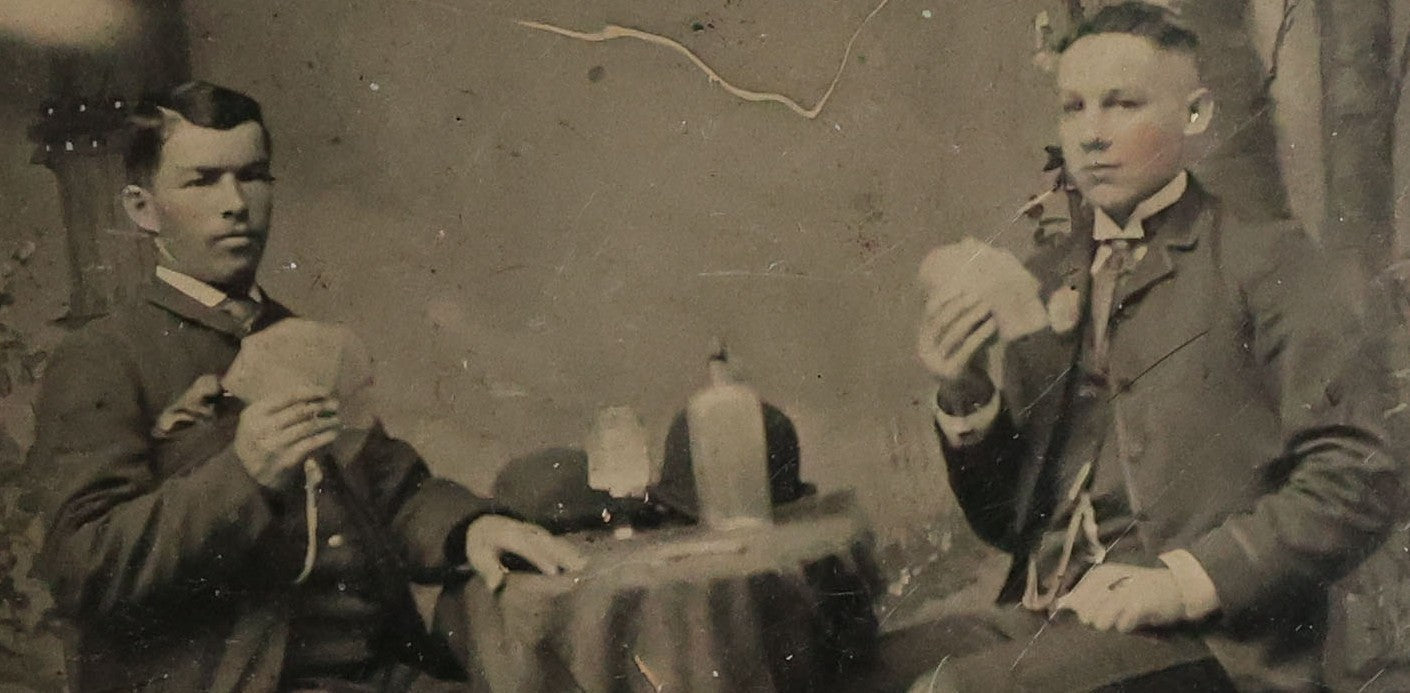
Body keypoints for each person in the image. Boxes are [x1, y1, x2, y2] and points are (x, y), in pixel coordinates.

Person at [901, 3, 1402, 691]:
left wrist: (1182, 581)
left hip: (1211, 639)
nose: (1092, 135)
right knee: (848, 665)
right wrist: (966, 394)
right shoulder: (1049, 277)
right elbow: (1012, 524)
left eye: (1122, 104)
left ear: (1195, 116)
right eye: (1073, 109)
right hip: (1058, 611)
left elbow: (1364, 472)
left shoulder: (1265, 260)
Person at [26, 80, 586, 693]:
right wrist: (243, 474)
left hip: (378, 670)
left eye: (254, 175)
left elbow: (389, 486)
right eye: (202, 180)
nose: (235, 202)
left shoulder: (298, 337)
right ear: (142, 208)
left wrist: (472, 527)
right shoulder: (103, 357)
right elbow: (82, 567)